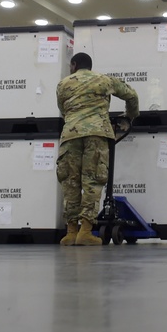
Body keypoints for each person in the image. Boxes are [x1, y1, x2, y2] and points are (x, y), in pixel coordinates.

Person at [56, 52, 139, 246]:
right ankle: (86, 231)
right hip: (97, 133)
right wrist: (130, 115)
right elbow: (132, 95)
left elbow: (63, 109)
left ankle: (70, 232)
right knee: (92, 180)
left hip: (70, 134)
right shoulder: (104, 80)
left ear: (74, 65)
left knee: (70, 181)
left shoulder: (63, 84)